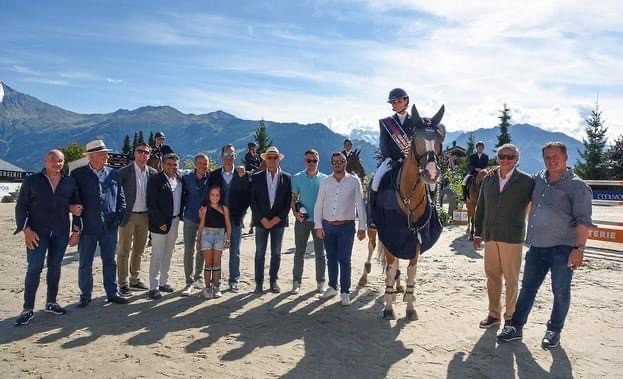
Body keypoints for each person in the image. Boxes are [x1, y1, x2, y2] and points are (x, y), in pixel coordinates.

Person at [497, 142, 592, 350]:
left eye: (556, 156)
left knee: (560, 291)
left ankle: (554, 330)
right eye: (547, 157)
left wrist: (579, 249)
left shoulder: (578, 186)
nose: (551, 160)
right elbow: (515, 180)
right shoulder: (538, 179)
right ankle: (516, 326)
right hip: (537, 246)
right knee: (528, 288)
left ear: (566, 157)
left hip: (563, 248)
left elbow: (584, 221)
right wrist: (492, 172)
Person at [13, 149, 82, 326]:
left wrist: (76, 231)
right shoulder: (32, 181)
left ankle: (51, 302)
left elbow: (76, 207)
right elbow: (21, 207)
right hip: (36, 233)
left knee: (55, 267)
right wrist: (26, 230)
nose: (56, 164)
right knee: (34, 268)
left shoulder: (69, 181)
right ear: (45, 160)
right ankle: (27, 309)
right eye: (53, 160)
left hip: (60, 232)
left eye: (60, 161)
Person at [473, 144, 535, 328]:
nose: (505, 160)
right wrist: (477, 233)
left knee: (511, 279)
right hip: (490, 235)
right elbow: (481, 207)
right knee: (492, 277)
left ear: (517, 159)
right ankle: (494, 315)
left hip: (512, 237)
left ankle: (510, 316)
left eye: (510, 156)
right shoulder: (488, 179)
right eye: (502, 156)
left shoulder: (527, 181)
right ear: (497, 158)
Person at [71, 140, 128, 307]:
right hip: (87, 226)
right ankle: (85, 295)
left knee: (110, 261)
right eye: (103, 154)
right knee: (85, 262)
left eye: (106, 154)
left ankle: (112, 293)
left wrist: (118, 218)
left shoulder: (113, 173)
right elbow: (75, 203)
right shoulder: (78, 175)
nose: (107, 157)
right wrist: (76, 227)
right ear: (91, 156)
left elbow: (121, 199)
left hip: (110, 226)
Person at [314, 152, 367, 306]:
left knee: (344, 260)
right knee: (330, 258)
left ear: (345, 163)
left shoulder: (354, 181)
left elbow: (360, 204)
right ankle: (332, 287)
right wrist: (318, 225)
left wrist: (362, 226)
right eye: (335, 162)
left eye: (341, 161)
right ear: (332, 164)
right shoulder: (325, 182)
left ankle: (345, 292)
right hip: (328, 226)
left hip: (346, 226)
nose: (338, 164)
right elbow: (319, 205)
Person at [368, 88, 416, 226]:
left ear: (406, 101)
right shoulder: (386, 122)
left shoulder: (415, 121)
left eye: (399, 101)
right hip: (391, 160)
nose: (396, 104)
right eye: (393, 102)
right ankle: (372, 217)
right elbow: (383, 143)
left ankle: (432, 212)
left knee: (430, 182)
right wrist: (389, 158)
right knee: (376, 181)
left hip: (411, 162)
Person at [207, 144, 250, 293]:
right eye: (226, 155)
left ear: (235, 157)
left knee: (235, 251)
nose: (229, 158)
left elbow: (247, 196)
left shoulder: (242, 174)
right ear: (221, 156)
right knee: (216, 250)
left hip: (236, 218)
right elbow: (209, 196)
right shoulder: (214, 175)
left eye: (232, 155)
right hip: (217, 220)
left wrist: (242, 213)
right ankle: (215, 280)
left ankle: (234, 280)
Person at [116, 143, 158, 296]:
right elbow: (116, 194)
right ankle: (122, 283)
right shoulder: (124, 172)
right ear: (135, 154)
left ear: (149, 155)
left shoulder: (152, 173)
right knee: (124, 250)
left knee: (139, 250)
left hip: (145, 216)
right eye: (140, 151)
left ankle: (134, 279)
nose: (143, 154)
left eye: (146, 152)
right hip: (128, 216)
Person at [250, 146, 292, 294]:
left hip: (278, 222)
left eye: (275, 157)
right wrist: (262, 218)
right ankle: (259, 283)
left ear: (278, 160)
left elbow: (288, 202)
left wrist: (276, 219)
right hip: (261, 222)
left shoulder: (286, 178)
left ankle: (273, 281)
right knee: (260, 253)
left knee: (276, 253)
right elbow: (253, 201)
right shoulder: (256, 177)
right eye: (269, 157)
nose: (272, 160)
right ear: (265, 160)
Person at [146, 153, 184, 300]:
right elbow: (151, 203)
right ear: (162, 164)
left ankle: (163, 282)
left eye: (175, 164)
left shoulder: (179, 179)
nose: (172, 167)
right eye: (169, 164)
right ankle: (153, 287)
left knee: (168, 253)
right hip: (159, 223)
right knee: (157, 254)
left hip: (174, 222)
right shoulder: (155, 180)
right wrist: (160, 222)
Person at [290, 149, 328, 294]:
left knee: (320, 253)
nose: (311, 163)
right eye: (308, 160)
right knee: (299, 252)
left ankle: (321, 282)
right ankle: (296, 282)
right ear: (304, 161)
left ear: (318, 161)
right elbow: (293, 199)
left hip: (320, 222)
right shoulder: (297, 177)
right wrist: (295, 213)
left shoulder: (325, 179)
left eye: (314, 160)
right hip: (302, 221)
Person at [180, 153, 210, 296]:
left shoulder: (211, 179)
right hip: (190, 218)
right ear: (195, 164)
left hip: (205, 220)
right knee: (189, 250)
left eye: (205, 164)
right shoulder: (186, 179)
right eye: (200, 163)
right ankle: (188, 281)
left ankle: (198, 277)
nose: (202, 166)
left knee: (202, 249)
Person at [196, 185, 231, 299]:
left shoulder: (224, 208)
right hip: (206, 235)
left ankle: (216, 286)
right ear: (208, 195)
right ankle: (207, 288)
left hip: (220, 235)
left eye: (217, 195)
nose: (214, 197)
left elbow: (228, 224)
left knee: (216, 263)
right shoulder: (205, 208)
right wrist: (198, 239)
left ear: (220, 196)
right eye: (212, 194)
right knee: (208, 263)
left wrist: (228, 238)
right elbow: (201, 225)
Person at [243, 142, 261, 235]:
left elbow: (259, 163)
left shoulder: (257, 155)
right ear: (251, 148)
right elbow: (249, 165)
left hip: (256, 171)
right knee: (249, 176)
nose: (256, 149)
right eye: (254, 147)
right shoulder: (247, 155)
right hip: (250, 171)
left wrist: (259, 168)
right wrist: (256, 168)